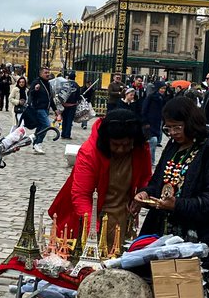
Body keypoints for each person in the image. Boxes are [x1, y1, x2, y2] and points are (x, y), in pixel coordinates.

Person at [134, 95, 209, 282]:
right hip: (163, 236)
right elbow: (159, 183)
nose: (171, 132)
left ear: (190, 122)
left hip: (198, 240)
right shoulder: (173, 146)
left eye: (177, 127)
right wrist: (146, 193)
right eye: (168, 127)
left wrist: (177, 205)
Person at [49, 110, 152, 248]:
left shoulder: (140, 148)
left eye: (127, 145)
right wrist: (94, 229)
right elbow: (81, 195)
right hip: (88, 216)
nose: (121, 150)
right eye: (116, 145)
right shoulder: (89, 152)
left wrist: (144, 192)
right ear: (106, 141)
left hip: (121, 214)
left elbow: (146, 177)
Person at [27, 65, 55, 154]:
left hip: (45, 109)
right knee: (47, 125)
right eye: (45, 73)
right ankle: (38, 143)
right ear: (41, 73)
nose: (47, 74)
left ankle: (35, 143)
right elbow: (29, 93)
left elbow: (50, 98)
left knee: (40, 127)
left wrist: (55, 109)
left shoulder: (48, 83)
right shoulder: (37, 82)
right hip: (39, 108)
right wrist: (35, 90)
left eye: (48, 72)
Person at [139, 80, 167, 167]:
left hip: (157, 123)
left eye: (164, 89)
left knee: (153, 143)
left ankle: (150, 161)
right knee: (153, 142)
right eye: (162, 88)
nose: (163, 90)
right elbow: (144, 110)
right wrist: (145, 121)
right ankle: (150, 161)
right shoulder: (151, 97)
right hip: (149, 123)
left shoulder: (162, 98)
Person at [59, 72, 83, 140]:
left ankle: (63, 133)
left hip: (64, 105)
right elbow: (78, 96)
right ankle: (67, 134)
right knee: (69, 120)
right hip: (72, 105)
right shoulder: (77, 85)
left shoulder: (64, 84)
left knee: (65, 120)